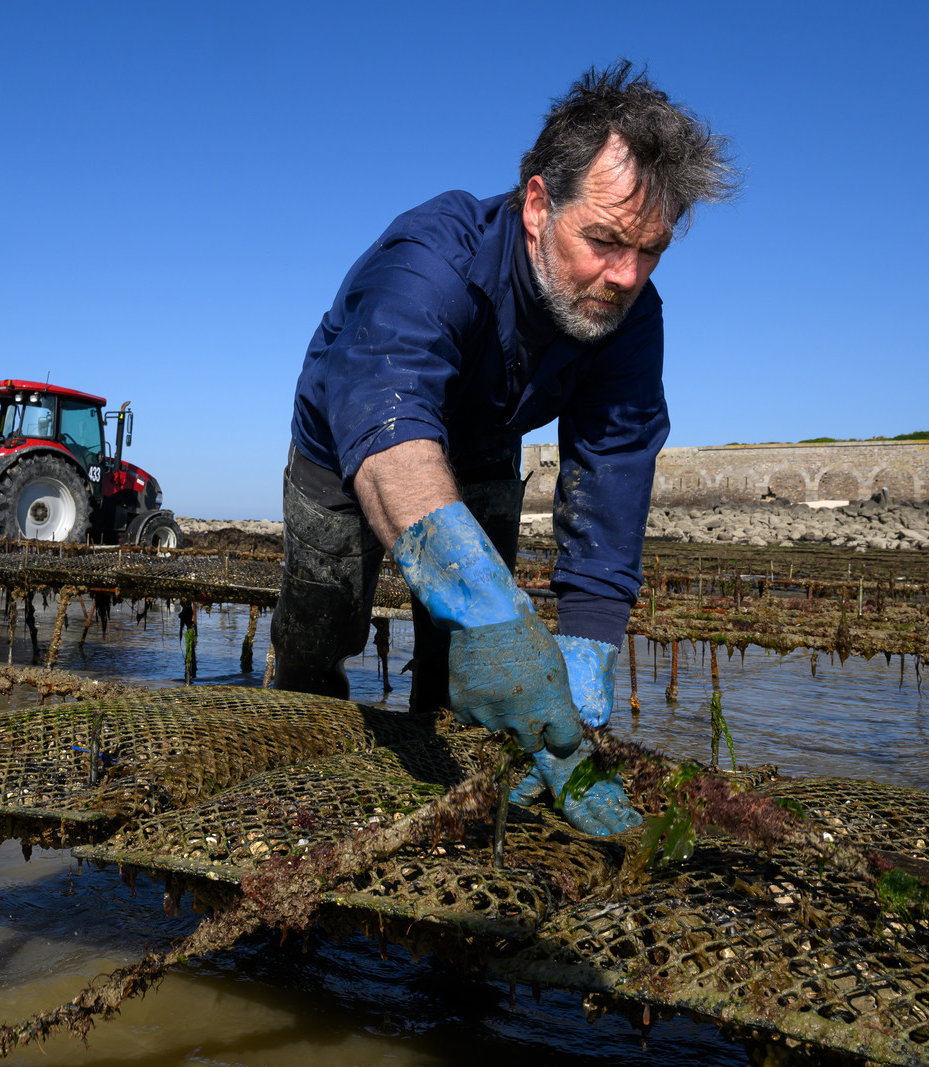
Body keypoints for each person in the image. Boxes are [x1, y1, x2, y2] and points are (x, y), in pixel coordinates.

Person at [271, 62, 737, 835]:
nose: (625, 277)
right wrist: (490, 612)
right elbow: (391, 427)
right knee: (321, 630)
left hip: (485, 445)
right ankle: (297, 760)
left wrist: (582, 677)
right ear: (536, 205)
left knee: (461, 676)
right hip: (348, 442)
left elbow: (613, 471)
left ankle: (446, 810)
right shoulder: (431, 260)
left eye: (649, 250)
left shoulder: (631, 315)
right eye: (604, 240)